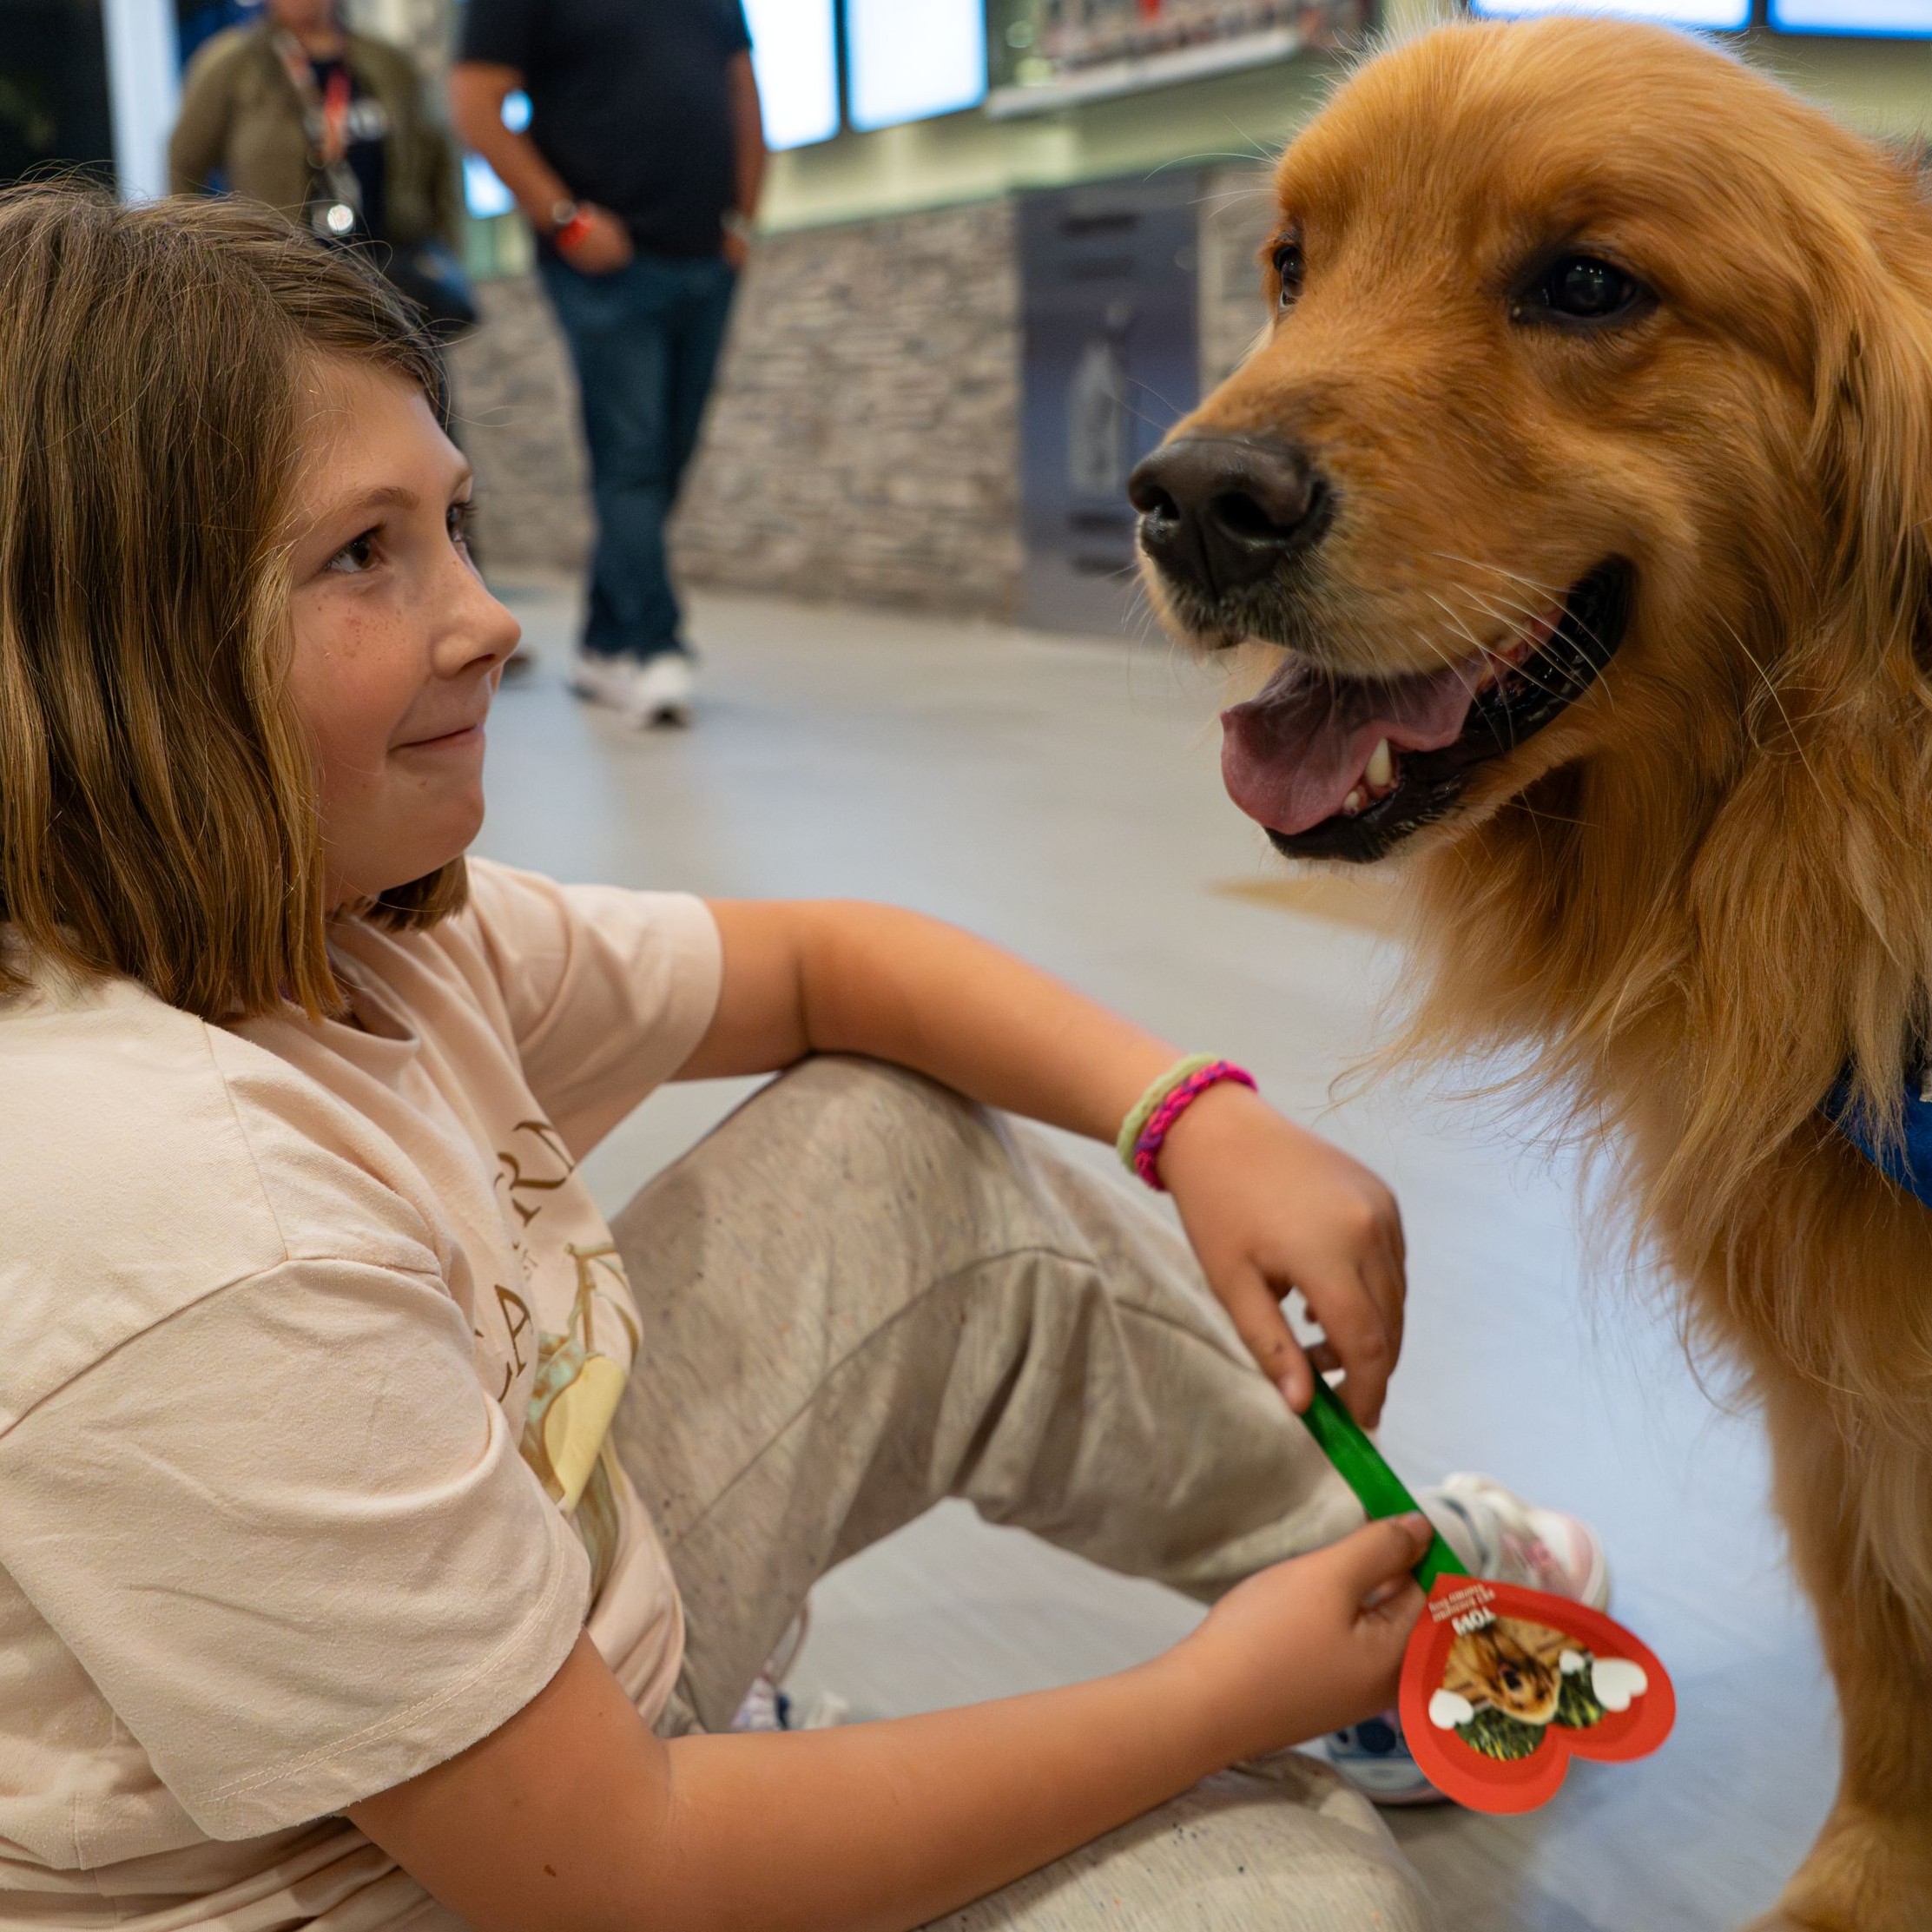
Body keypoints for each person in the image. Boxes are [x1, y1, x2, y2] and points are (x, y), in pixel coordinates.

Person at [0, 189, 1605, 1932]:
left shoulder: (348, 919)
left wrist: (1190, 1114)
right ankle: (1303, 1648)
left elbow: (827, 960)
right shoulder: (186, 1221)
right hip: (463, 1877)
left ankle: (1380, 1585)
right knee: (1288, 1894)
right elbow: (620, 1868)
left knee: (886, 1141)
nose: (489, 619)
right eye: (362, 554)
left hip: (551, 1668)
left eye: (457, 523)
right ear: (113, 648)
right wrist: (1216, 1697)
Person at [450, 2, 767, 729]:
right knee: (631, 456)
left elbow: (741, 88)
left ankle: (603, 639)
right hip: (604, 267)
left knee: (667, 456)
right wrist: (565, 219)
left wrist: (744, 218)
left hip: (704, 257)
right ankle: (652, 647)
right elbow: (475, 105)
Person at [169, 0, 458, 268]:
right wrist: (204, 263)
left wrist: (447, 255)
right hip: (283, 271)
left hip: (390, 264)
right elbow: (185, 161)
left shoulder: (387, 62)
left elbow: (437, 157)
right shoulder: (232, 63)